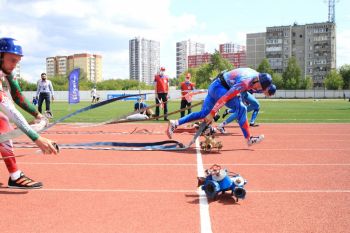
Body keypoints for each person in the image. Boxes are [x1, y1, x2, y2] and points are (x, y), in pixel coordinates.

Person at [0, 37, 58, 189]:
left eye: (17, 61)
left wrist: (38, 115)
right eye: (12, 60)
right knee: (3, 121)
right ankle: (16, 176)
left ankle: (15, 176)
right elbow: (8, 108)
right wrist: (36, 138)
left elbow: (17, 96)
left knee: (2, 123)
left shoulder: (5, 71)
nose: (14, 65)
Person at [167, 68, 273, 146]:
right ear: (257, 81)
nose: (258, 89)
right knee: (242, 108)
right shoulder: (245, 82)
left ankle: (175, 123)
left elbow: (260, 87)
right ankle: (248, 139)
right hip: (220, 88)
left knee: (203, 114)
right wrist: (213, 113)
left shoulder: (258, 76)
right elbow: (225, 97)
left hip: (214, 86)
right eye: (258, 87)